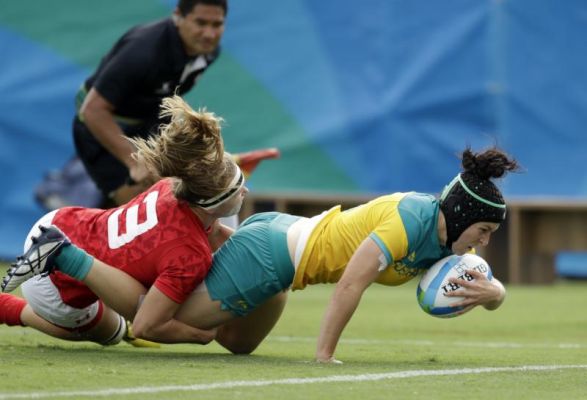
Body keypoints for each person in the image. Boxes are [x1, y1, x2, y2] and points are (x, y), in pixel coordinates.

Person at [3, 147, 518, 361]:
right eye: (483, 229)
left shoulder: (442, 238)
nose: (484, 242)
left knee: (237, 348)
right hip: (272, 253)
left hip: (280, 261)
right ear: (457, 213)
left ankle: (213, 217)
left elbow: (455, 289)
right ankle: (61, 261)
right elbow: (349, 286)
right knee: (145, 320)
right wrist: (323, 358)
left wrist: (493, 293)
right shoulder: (411, 219)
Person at [0, 95, 248, 346]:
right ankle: (6, 305)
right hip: (54, 279)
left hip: (62, 221)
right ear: (212, 203)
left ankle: (68, 261)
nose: (245, 193)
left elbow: (214, 231)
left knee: (133, 295)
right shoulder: (191, 256)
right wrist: (201, 335)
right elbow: (147, 326)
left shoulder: (170, 186)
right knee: (111, 333)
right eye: (238, 188)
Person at [74, 0, 229, 206]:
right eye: (200, 23)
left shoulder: (208, 51)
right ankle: (74, 191)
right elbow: (93, 110)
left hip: (148, 117)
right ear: (178, 16)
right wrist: (135, 160)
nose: (209, 34)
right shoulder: (142, 51)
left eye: (216, 24)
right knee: (137, 211)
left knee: (185, 195)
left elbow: (168, 93)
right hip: (104, 124)